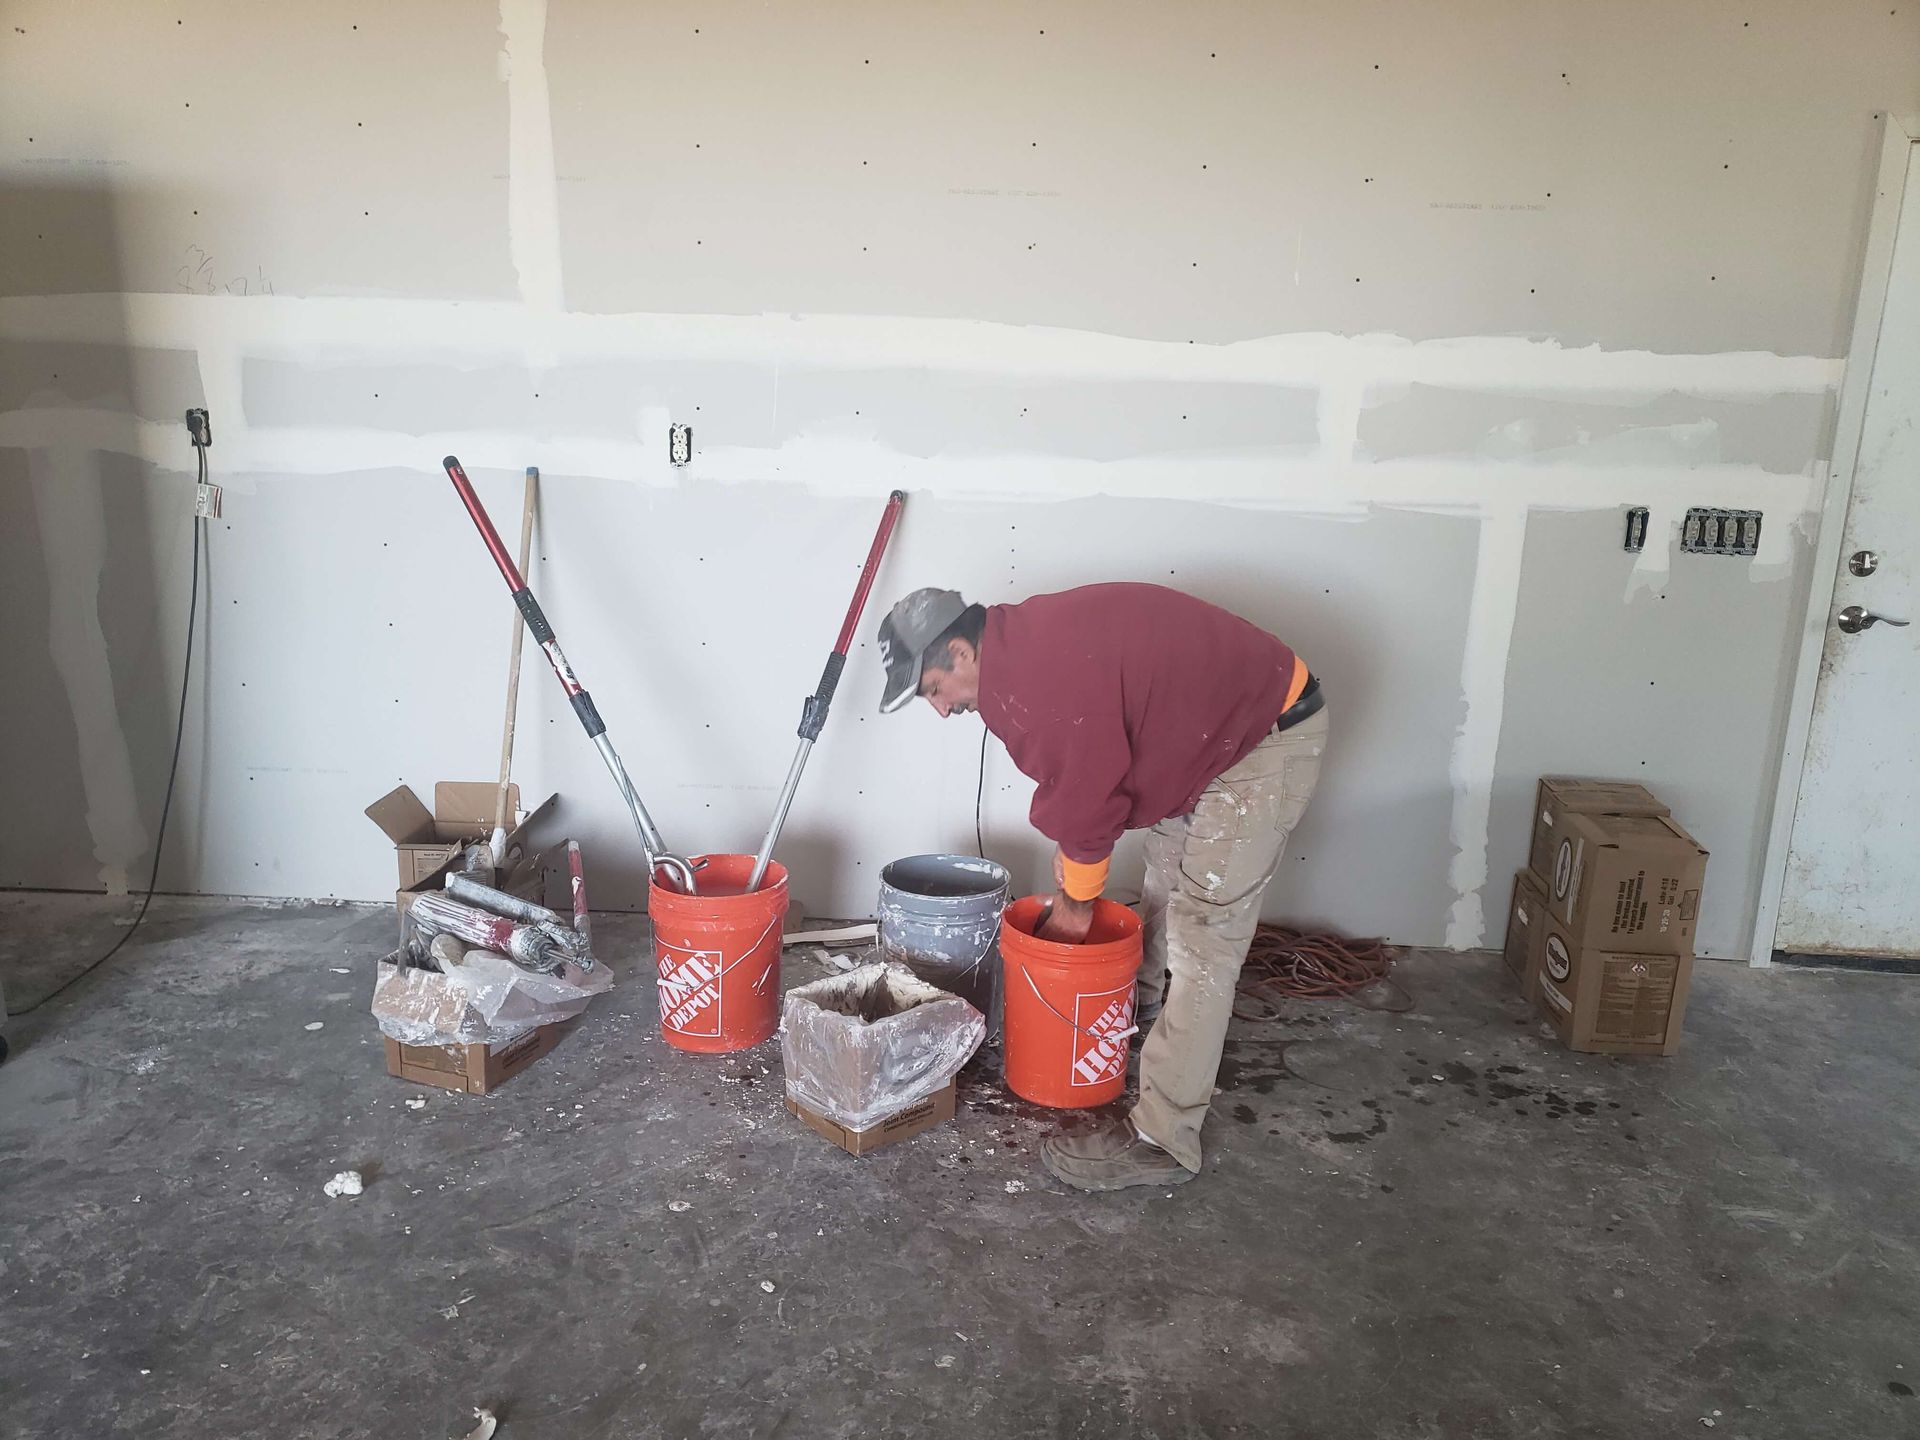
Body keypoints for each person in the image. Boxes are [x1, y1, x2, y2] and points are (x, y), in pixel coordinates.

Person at [876, 583, 1329, 1192]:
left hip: (1260, 737)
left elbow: (1087, 806)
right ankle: (1128, 1016)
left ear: (960, 652)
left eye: (933, 689)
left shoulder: (1035, 684)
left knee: (1202, 940)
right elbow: (1085, 788)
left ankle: (1162, 1139)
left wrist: (1073, 909)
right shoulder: (1017, 652)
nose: (940, 708)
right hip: (1202, 742)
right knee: (1165, 889)